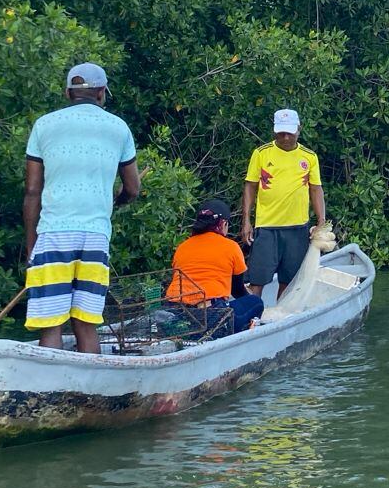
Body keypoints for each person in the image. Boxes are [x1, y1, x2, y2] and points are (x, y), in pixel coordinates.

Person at [21, 62, 141, 353]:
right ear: (101, 93)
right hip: (95, 235)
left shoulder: (44, 125)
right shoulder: (118, 128)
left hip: (53, 234)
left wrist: (31, 246)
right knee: (86, 323)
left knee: (52, 323)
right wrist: (120, 200)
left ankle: (49, 388)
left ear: (67, 92)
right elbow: (133, 189)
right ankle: (93, 392)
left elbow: (32, 190)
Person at [240, 108, 327, 298]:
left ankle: (281, 319)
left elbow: (315, 188)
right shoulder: (261, 153)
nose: (285, 137)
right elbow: (250, 185)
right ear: (274, 131)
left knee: (289, 281)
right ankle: (253, 319)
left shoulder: (309, 156)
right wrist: (246, 220)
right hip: (267, 227)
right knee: (257, 280)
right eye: (281, 133)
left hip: (297, 228)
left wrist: (321, 221)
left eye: (289, 132)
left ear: (299, 129)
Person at [166, 198, 264, 336]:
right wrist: (250, 294)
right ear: (223, 223)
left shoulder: (182, 247)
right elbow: (237, 291)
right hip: (211, 315)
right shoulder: (231, 247)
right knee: (256, 302)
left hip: (177, 312)